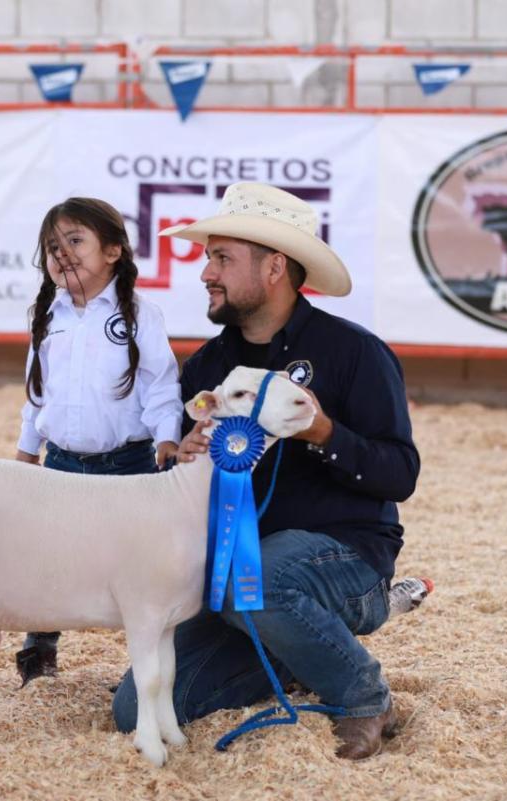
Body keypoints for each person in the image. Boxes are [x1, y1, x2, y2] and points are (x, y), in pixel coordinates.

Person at [110, 182, 420, 760]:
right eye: (208, 257)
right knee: (133, 709)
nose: (206, 272)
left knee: (252, 585)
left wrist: (325, 434)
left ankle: (363, 695)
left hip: (347, 559)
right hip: (238, 581)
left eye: (222, 257)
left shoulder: (355, 353)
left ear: (275, 266)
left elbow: (400, 474)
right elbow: (175, 484)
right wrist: (180, 459)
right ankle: (305, 648)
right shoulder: (206, 367)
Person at [13, 197, 184, 686]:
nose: (61, 254)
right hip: (61, 464)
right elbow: (36, 390)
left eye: (75, 241)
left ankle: (143, 664)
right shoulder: (47, 314)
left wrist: (167, 439)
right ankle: (39, 650)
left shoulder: (140, 314)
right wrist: (28, 450)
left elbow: (161, 384)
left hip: (127, 466)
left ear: (113, 251)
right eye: (52, 247)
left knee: (136, 564)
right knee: (48, 558)